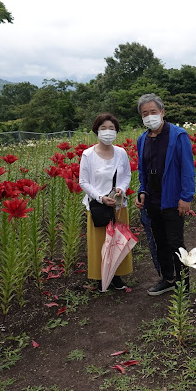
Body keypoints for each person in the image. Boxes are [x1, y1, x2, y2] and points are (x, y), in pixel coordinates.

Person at [134, 93, 196, 296]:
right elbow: (142, 171)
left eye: (153, 112)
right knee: (160, 241)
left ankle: (183, 284)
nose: (149, 116)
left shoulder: (178, 136)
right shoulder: (142, 139)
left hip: (173, 200)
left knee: (176, 242)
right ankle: (168, 279)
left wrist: (186, 197)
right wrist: (141, 191)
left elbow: (187, 169)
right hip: (152, 200)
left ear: (162, 112)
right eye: (145, 113)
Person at [79, 113, 132, 290]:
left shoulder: (121, 153)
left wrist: (121, 189)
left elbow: (127, 176)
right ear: (96, 131)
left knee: (118, 240)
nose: (108, 132)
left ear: (116, 131)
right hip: (98, 207)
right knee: (101, 243)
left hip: (118, 205)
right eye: (103, 128)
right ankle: (101, 277)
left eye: (111, 128)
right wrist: (100, 197)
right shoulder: (88, 154)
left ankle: (116, 276)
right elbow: (83, 182)